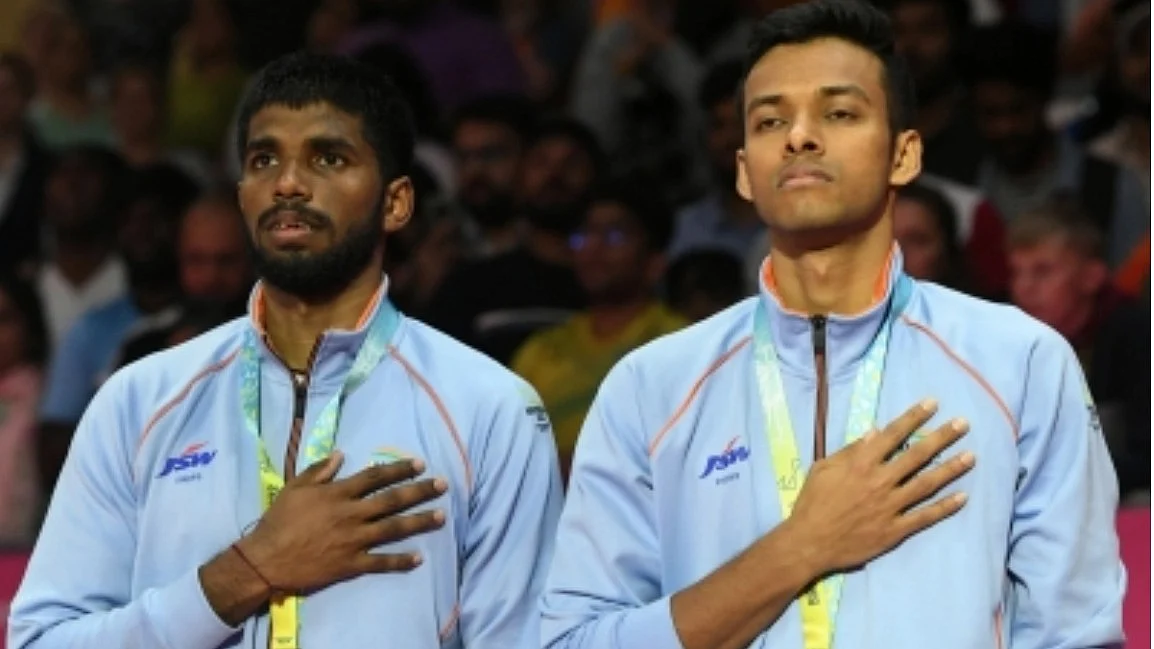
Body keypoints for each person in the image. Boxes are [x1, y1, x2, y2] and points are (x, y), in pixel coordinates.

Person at [540, 3, 1125, 649]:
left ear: (904, 154)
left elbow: (1075, 634)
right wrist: (799, 547)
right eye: (770, 120)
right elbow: (574, 641)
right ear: (744, 171)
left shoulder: (1018, 362)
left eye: (839, 113)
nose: (799, 136)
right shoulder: (652, 387)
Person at [9, 52, 562, 649]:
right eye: (264, 159)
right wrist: (245, 573)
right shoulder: (139, 402)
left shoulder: (487, 408)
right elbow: (42, 641)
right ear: (242, 195)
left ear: (396, 203)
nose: (288, 182)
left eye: (329, 158)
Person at [512, 181, 685, 483]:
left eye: (614, 235)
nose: (593, 248)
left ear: (655, 262)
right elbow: (509, 450)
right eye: (583, 236)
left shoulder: (681, 342)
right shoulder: (540, 349)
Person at [1007, 197, 1150, 499]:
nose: (1023, 287)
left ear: (1091, 277)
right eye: (1017, 272)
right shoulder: (1005, 334)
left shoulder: (1136, 336)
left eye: (1042, 271)